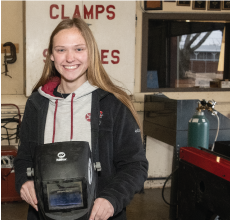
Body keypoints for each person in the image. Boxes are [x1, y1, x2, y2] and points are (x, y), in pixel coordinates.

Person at [14, 17, 148, 220]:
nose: (69, 58)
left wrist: (112, 199)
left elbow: (135, 165)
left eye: (78, 49)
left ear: (91, 53)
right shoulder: (37, 104)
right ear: (51, 55)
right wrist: (24, 181)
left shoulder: (113, 104)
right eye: (61, 50)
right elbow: (24, 157)